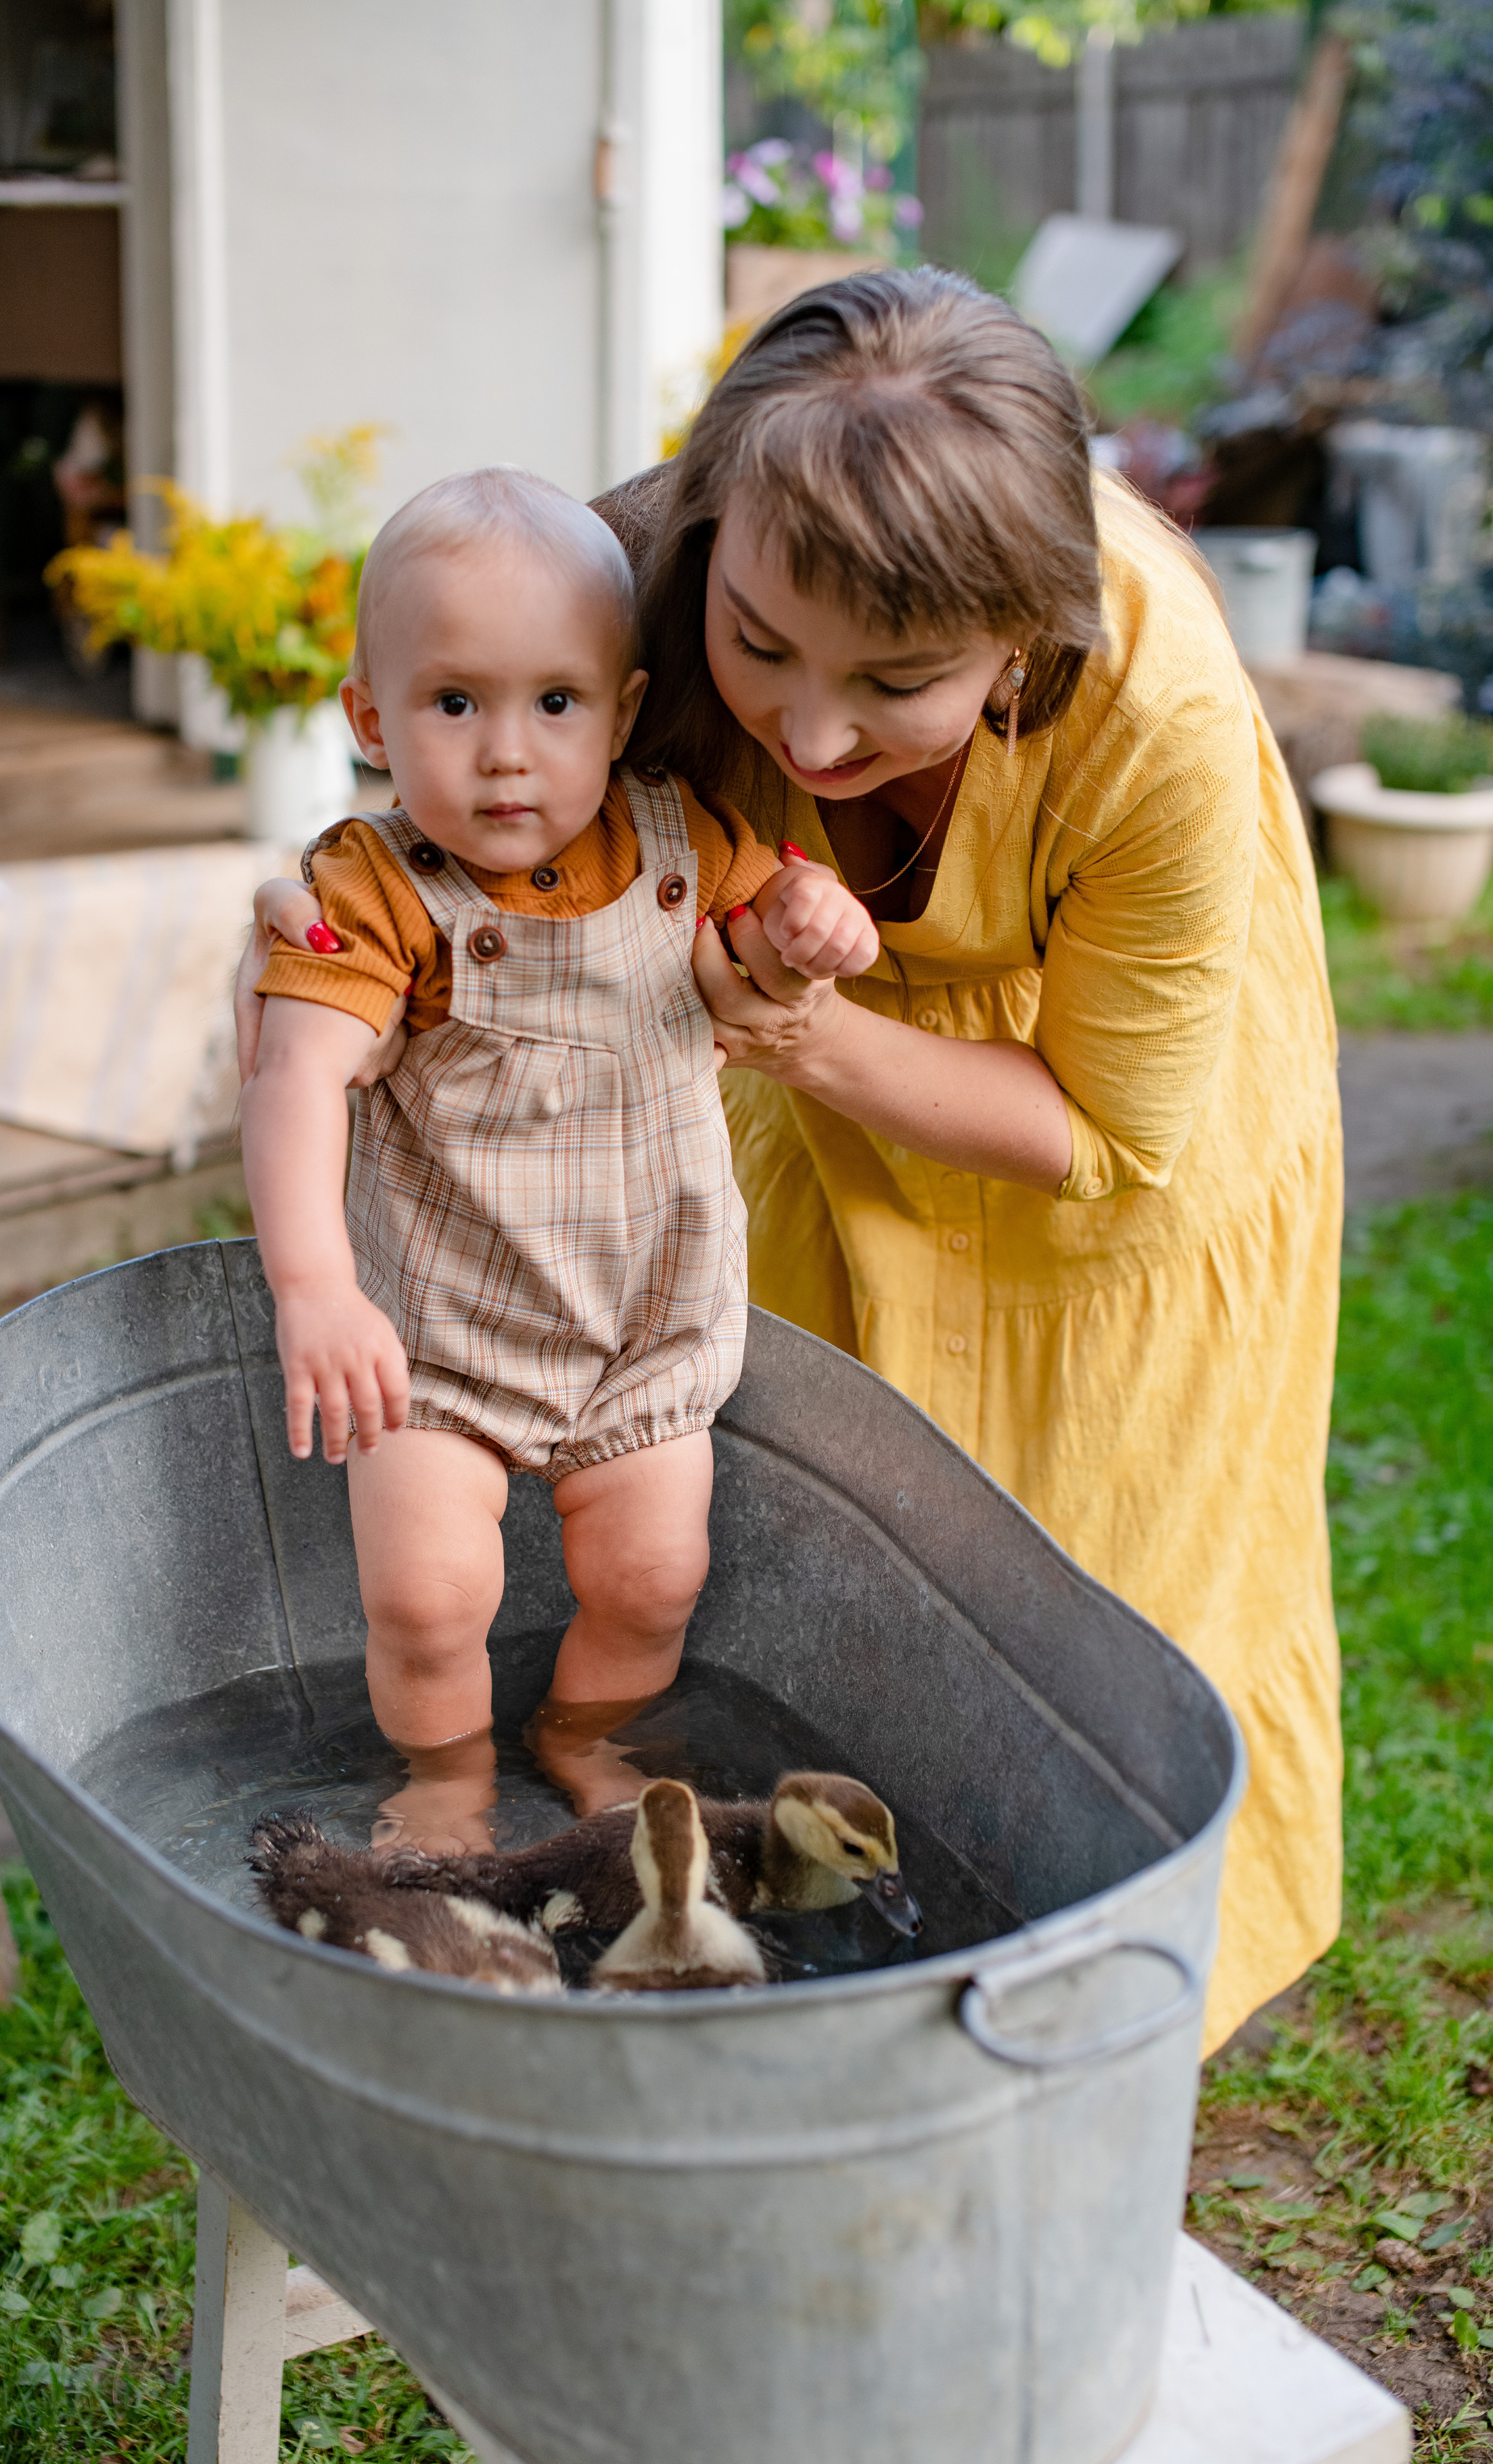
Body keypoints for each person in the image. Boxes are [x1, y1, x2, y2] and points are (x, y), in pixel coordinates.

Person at [240, 272, 1342, 2055]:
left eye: (897, 688)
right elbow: (453, 738)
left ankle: (1078, 2023)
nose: (812, 742)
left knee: (1106, 1580)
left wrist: (799, 1031)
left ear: (1022, 643)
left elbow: (1106, 1129)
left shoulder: (1165, 732)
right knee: (820, 1540)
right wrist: (309, 908)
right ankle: (808, 1951)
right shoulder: (654, 557)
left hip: (1105, 1160)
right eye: (759, 651)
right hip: (777, 1086)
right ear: (711, 538)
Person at [239, 467, 877, 1854]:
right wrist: (313, 1287)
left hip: (644, 1320)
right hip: (440, 1339)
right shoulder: (373, 892)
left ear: (625, 712)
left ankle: (589, 1740)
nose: (507, 754)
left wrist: (813, 921)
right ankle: (447, 1781)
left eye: (555, 703)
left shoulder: (677, 835)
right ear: (369, 719)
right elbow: (297, 1076)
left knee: (653, 1577)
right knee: (425, 1598)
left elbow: (764, 938)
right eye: (452, 703)